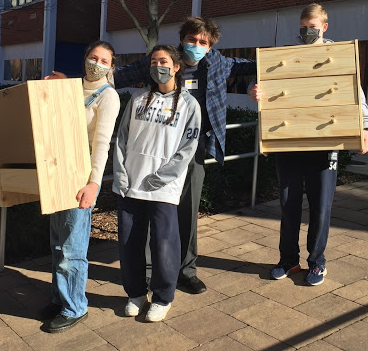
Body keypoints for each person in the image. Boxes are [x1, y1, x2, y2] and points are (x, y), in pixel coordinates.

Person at [115, 17, 256, 294]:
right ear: (183, 40)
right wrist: (81, 78)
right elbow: (120, 75)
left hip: (193, 150)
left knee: (187, 212)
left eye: (203, 42)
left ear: (210, 46)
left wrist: (258, 83)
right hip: (155, 149)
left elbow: (253, 65)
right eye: (192, 40)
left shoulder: (216, 63)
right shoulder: (162, 61)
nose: (196, 45)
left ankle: (185, 271)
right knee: (147, 208)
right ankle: (145, 272)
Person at [249, 3, 368, 286]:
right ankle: (288, 260)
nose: (307, 31)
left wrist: (365, 127)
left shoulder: (339, 56)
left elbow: (356, 94)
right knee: (288, 205)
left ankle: (317, 262)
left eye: (313, 27)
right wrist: (252, 90)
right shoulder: (285, 55)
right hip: (289, 142)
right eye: (303, 27)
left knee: (321, 207)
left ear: (324, 27)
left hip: (324, 141)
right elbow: (261, 84)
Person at [113, 45, 201, 321]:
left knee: (164, 244)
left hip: (163, 188)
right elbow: (121, 138)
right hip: (131, 184)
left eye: (163, 61)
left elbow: (188, 148)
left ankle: (163, 297)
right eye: (153, 61)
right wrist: (120, 173)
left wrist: (162, 177)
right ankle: (136, 293)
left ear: (176, 66)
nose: (157, 66)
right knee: (130, 243)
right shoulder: (138, 99)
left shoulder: (189, 104)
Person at [41, 41, 120, 331]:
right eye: (92, 57)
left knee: (73, 247)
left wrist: (93, 183)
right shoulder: (71, 88)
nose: (96, 63)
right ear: (85, 58)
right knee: (57, 243)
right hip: (59, 169)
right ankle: (59, 298)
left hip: (81, 172)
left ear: (111, 68)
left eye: (103, 60)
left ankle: (75, 307)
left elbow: (101, 144)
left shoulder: (108, 97)